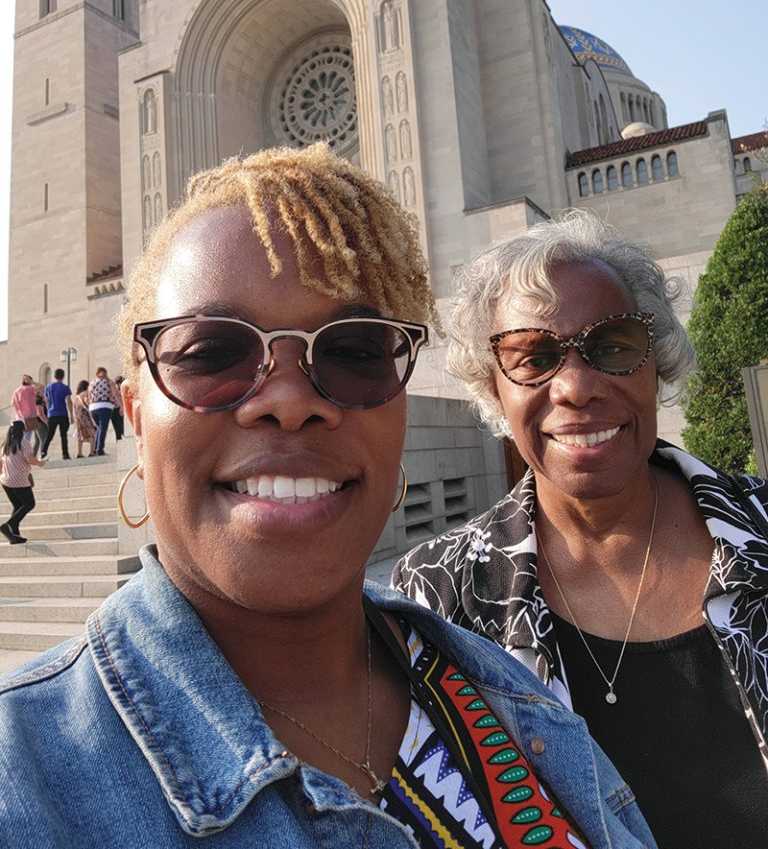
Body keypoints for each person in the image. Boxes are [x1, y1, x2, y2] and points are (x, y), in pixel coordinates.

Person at [0, 148, 655, 848]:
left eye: (354, 351)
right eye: (211, 352)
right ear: (133, 416)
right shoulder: (26, 777)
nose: (288, 401)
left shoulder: (508, 690)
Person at [394, 209, 768, 849]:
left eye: (613, 344)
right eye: (533, 357)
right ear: (495, 391)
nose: (574, 386)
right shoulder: (439, 598)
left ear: (657, 363)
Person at [0, 420, 46, 544]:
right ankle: (8, 525)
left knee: (18, 505)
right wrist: (41, 463)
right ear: (23, 430)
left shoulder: (4, 445)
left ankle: (14, 535)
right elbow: (30, 459)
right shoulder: (24, 443)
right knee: (29, 503)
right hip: (19, 480)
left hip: (5, 480)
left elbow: (0, 464)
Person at [87, 366, 122, 455]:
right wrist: (121, 406)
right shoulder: (109, 382)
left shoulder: (92, 383)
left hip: (93, 407)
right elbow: (116, 394)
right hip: (105, 405)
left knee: (99, 427)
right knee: (103, 427)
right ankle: (100, 449)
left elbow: (89, 397)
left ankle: (95, 448)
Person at [41, 368, 73, 460]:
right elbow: (69, 401)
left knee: (50, 434)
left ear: (54, 376)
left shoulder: (48, 387)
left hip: (52, 413)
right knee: (63, 435)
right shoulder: (65, 387)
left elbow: (46, 401)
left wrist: (48, 411)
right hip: (63, 413)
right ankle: (65, 454)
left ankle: (43, 451)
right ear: (63, 376)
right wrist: (71, 415)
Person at [72, 379, 96, 458]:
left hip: (78, 418)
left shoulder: (76, 397)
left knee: (80, 435)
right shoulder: (85, 394)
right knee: (92, 434)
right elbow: (87, 403)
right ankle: (92, 452)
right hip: (85, 417)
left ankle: (79, 453)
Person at [111, 375, 125, 442]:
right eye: (117, 383)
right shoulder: (113, 391)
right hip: (115, 410)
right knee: (117, 429)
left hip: (121, 410)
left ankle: (121, 442)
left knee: (121, 428)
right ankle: (119, 442)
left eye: (120, 383)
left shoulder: (124, 390)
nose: (119, 385)